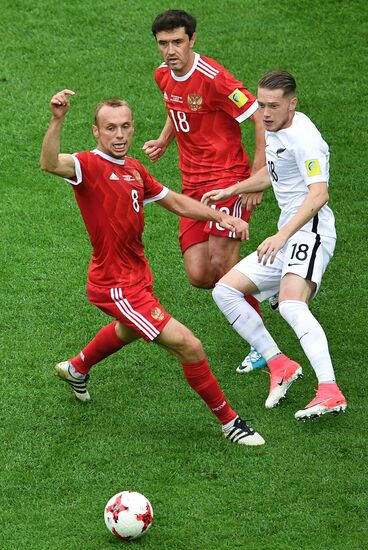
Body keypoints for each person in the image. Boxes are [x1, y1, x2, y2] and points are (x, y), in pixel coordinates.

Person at [39, 89, 265, 446]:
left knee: (129, 330)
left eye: (125, 127)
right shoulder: (88, 165)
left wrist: (220, 215)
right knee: (190, 346)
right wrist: (57, 119)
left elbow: (175, 202)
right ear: (96, 132)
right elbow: (51, 163)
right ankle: (230, 422)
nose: (119, 135)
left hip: (137, 278)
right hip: (116, 285)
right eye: (110, 128)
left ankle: (77, 367)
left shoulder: (133, 169)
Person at [202, 71, 347, 420]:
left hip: (310, 233)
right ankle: (279, 363)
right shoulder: (275, 129)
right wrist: (234, 189)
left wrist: (282, 236)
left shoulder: (305, 138)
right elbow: (275, 171)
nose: (264, 113)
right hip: (287, 233)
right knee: (225, 291)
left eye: (273, 106)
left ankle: (330, 391)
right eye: (261, 105)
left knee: (291, 305)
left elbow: (319, 194)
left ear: (292, 103)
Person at [143, 9, 267, 373]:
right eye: (163, 43)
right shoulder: (162, 75)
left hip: (229, 178)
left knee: (224, 264)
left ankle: (260, 344)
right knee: (199, 274)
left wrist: (256, 177)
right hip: (192, 185)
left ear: (192, 40)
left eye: (177, 42)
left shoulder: (214, 79)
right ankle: (269, 284)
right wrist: (165, 140)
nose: (170, 50)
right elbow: (175, 104)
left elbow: (258, 116)